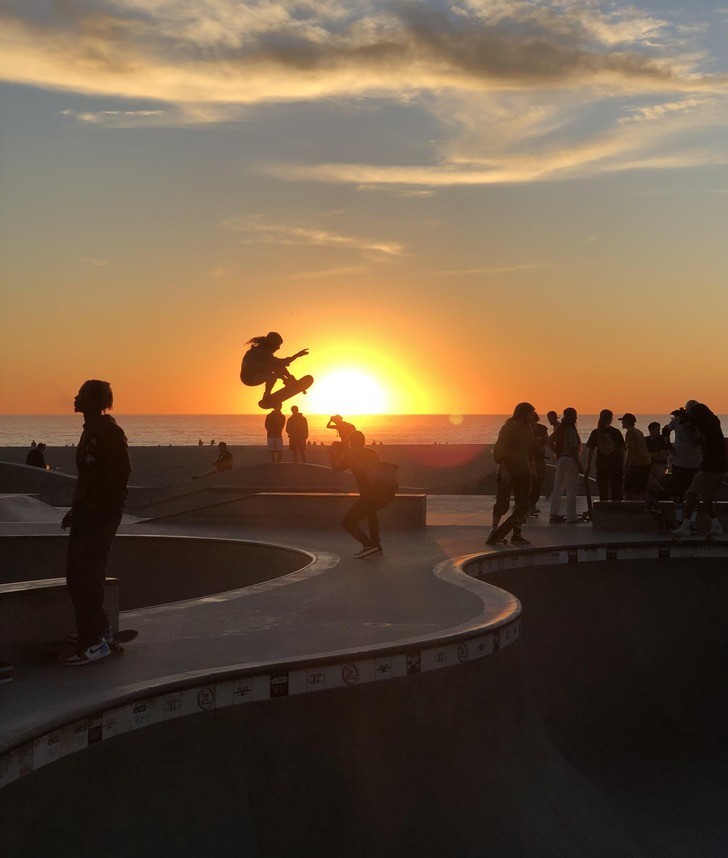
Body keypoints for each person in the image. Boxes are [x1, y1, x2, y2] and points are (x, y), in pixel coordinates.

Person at [60, 380, 131, 665]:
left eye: (81, 394)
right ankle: (99, 632)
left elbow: (122, 471)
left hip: (101, 514)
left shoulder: (108, 431)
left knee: (86, 575)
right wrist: (76, 510)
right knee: (79, 573)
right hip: (88, 513)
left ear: (94, 400)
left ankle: (95, 642)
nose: (75, 397)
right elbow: (89, 477)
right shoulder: (92, 430)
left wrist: (95, 506)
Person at [331, 430, 397, 557]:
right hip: (381, 493)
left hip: (367, 496)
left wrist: (334, 455)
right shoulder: (373, 453)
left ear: (351, 443)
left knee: (347, 522)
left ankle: (368, 545)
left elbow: (336, 468)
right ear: (363, 441)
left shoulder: (350, 457)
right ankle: (376, 546)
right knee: (371, 515)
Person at [673, 403, 727, 538]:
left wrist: (683, 415)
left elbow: (697, 423)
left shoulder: (707, 425)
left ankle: (685, 526)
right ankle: (716, 526)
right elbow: (699, 424)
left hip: (710, 466)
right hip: (722, 468)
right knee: (707, 498)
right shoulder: (714, 422)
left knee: (691, 494)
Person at [487, 402, 536, 546]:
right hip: (507, 471)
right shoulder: (508, 428)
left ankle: (517, 533)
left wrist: (532, 469)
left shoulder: (528, 429)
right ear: (521, 414)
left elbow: (529, 451)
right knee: (502, 503)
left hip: (523, 472)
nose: (532, 417)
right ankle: (494, 530)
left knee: (523, 505)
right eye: (530, 414)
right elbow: (498, 450)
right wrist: (504, 470)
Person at [240, 331, 309, 408]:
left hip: (255, 372)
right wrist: (297, 355)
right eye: (278, 345)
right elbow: (281, 362)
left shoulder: (263, 351)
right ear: (272, 344)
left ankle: (288, 380)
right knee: (272, 376)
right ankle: (267, 395)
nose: (278, 348)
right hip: (249, 378)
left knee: (276, 366)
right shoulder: (262, 352)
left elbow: (278, 364)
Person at [662, 401, 703, 526]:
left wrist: (691, 426)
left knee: (694, 494)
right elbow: (665, 430)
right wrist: (668, 446)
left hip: (695, 464)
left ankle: (692, 521)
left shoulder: (699, 423)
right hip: (679, 463)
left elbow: (699, 440)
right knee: (678, 494)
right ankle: (680, 521)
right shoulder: (677, 421)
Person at [549, 407, 582, 523]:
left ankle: (553, 513)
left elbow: (549, 440)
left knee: (557, 488)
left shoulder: (560, 428)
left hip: (561, 460)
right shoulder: (570, 429)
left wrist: (556, 453)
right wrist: (579, 464)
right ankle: (571, 516)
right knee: (571, 489)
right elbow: (573, 448)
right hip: (570, 460)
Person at [584, 410, 626, 501]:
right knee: (617, 491)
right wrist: (623, 465)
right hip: (616, 465)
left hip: (602, 465)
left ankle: (604, 511)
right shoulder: (616, 432)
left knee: (603, 491)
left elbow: (590, 450)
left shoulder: (596, 432)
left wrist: (588, 465)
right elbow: (622, 450)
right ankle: (617, 511)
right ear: (611, 419)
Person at [620, 413, 651, 500]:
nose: (622, 422)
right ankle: (648, 506)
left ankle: (633, 506)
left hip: (638, 464)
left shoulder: (630, 432)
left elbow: (631, 450)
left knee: (630, 488)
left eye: (623, 421)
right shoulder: (639, 431)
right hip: (646, 462)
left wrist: (626, 465)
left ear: (628, 422)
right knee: (642, 489)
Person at [529, 414, 549, 514]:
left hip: (539, 459)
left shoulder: (542, 429)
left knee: (538, 482)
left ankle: (532, 504)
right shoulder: (523, 429)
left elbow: (547, 441)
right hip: (527, 460)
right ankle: (526, 505)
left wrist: (543, 447)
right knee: (528, 483)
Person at [645, 421, 669, 490]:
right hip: (648, 464)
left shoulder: (661, 441)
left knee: (660, 475)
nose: (659, 432)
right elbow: (642, 454)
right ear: (651, 430)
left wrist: (649, 454)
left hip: (659, 465)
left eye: (659, 430)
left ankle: (661, 491)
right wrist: (656, 454)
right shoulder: (645, 440)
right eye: (657, 430)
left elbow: (662, 457)